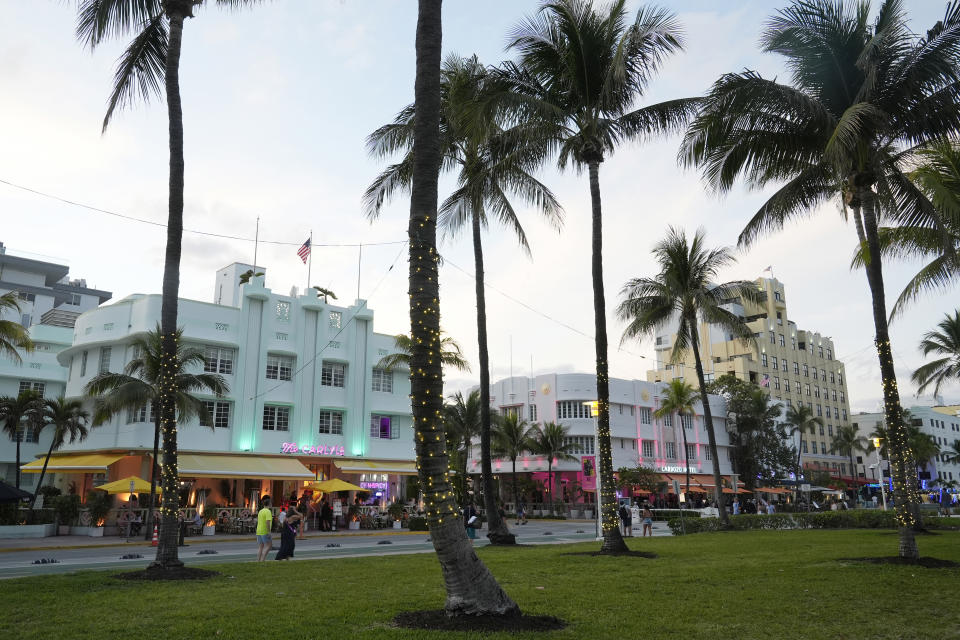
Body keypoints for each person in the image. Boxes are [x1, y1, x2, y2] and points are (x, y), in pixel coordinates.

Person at [256, 496, 273, 562]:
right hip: (264, 531)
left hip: (258, 531)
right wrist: (269, 532)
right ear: (269, 504)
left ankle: (258, 560)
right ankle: (262, 559)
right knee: (269, 546)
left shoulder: (261, 511)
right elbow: (267, 522)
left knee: (261, 547)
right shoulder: (268, 511)